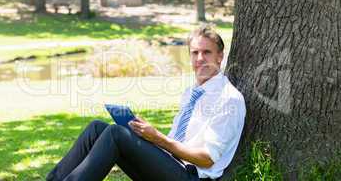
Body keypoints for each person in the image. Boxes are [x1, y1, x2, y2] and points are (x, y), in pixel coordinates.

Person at [46, 24, 246, 181]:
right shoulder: (192, 92)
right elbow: (178, 140)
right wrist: (147, 136)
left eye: (207, 52)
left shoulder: (228, 99)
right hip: (170, 165)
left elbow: (206, 158)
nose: (200, 58)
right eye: (195, 53)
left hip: (191, 176)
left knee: (116, 134)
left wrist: (158, 138)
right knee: (97, 128)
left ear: (220, 56)